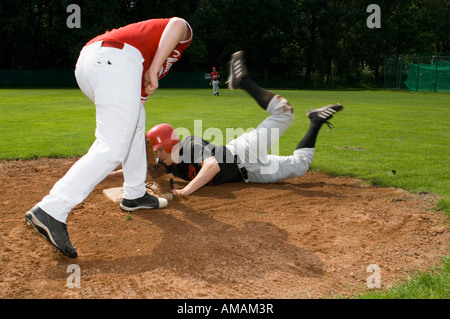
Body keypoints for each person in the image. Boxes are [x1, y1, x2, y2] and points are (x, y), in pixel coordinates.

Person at [25, 18, 193, 258]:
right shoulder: (175, 40)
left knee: (134, 124)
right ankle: (52, 209)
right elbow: (179, 24)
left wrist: (150, 70)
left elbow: (138, 102)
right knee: (112, 145)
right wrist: (155, 67)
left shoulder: (146, 56)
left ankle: (134, 195)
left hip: (97, 62)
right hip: (115, 59)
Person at [146, 51, 343, 196]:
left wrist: (186, 191)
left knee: (284, 112)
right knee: (301, 166)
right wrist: (116, 168)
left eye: (159, 150)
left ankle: (243, 81)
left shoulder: (190, 146)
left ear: (171, 145)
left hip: (245, 151)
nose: (158, 155)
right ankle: (316, 121)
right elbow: (148, 170)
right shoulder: (169, 162)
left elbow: (212, 166)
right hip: (251, 174)